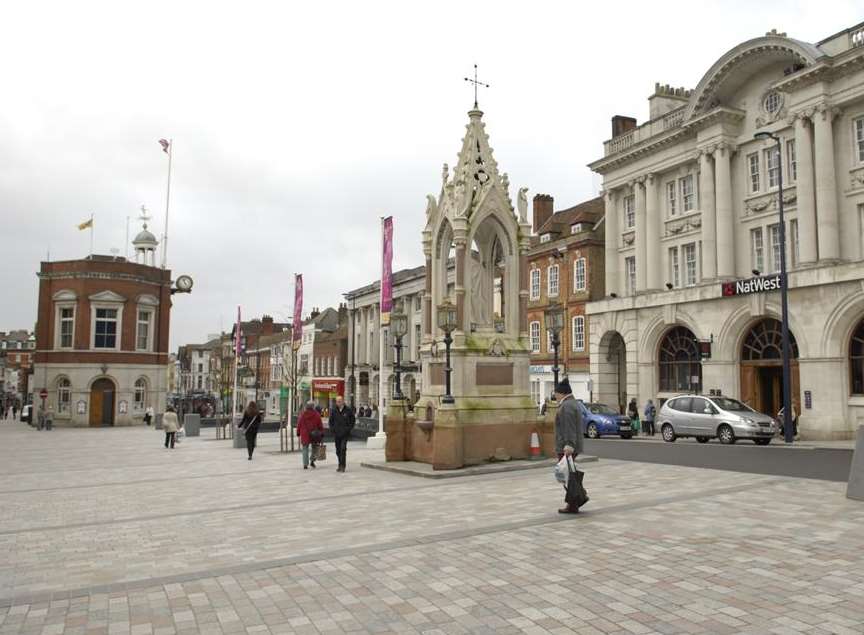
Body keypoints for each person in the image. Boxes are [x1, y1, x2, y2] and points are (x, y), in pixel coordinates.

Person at [554, 378, 585, 514]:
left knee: (567, 476)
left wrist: (569, 445)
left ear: (561, 393)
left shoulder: (566, 406)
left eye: (556, 393)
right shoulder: (573, 403)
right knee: (569, 475)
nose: (554, 395)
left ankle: (575, 501)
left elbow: (569, 427)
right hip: (570, 445)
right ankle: (576, 500)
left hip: (566, 446)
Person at [329, 395, 355, 472]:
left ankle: (343, 466)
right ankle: (340, 463)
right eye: (337, 401)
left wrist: (348, 429)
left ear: (343, 401)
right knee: (338, 450)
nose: (338, 403)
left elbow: (352, 420)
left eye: (340, 401)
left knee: (343, 449)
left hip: (345, 433)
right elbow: (331, 421)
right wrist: (332, 429)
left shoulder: (348, 410)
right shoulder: (334, 410)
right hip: (337, 434)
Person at [297, 401, 324, 469]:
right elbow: (320, 425)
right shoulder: (317, 414)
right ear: (313, 407)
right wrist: (322, 432)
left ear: (306, 406)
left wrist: (298, 432)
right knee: (314, 448)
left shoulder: (303, 414)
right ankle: (312, 460)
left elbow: (299, 424)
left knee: (305, 448)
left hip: (304, 434)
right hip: (314, 434)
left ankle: (305, 464)